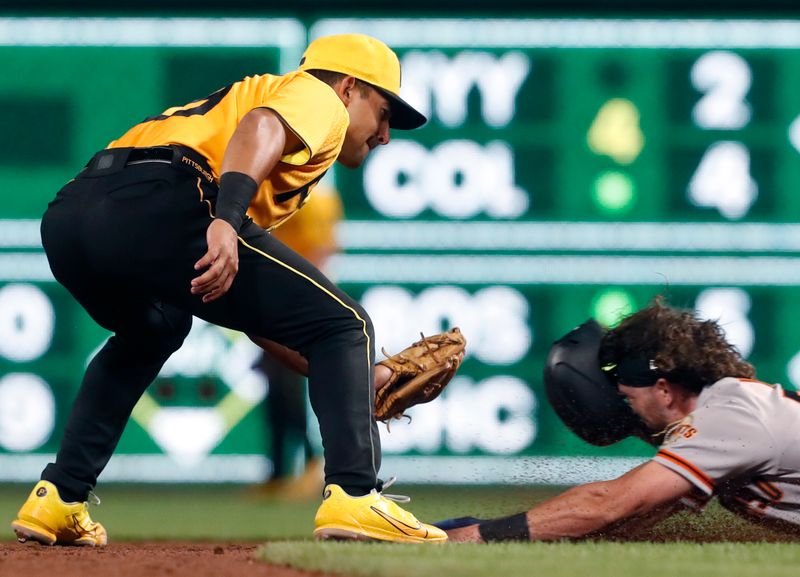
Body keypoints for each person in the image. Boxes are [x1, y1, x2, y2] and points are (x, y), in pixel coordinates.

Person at [11, 33, 446, 546]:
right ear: (350, 88)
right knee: (348, 323)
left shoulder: (271, 123)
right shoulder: (319, 98)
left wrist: (356, 381)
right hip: (170, 196)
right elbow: (259, 126)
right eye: (385, 110)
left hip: (72, 218)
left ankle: (59, 497)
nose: (386, 134)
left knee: (155, 330)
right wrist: (225, 218)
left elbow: (261, 317)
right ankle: (355, 495)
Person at [445, 298, 800, 543]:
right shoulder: (727, 410)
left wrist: (467, 538)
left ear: (663, 389)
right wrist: (465, 527)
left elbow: (608, 503)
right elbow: (628, 520)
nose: (627, 409)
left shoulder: (729, 417)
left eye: (628, 397)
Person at [255, 184, 342, 500]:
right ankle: (278, 471)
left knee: (288, 387)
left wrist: (306, 297)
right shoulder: (273, 187)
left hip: (299, 300)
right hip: (272, 296)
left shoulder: (317, 199)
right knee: (275, 387)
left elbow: (323, 250)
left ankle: (313, 462)